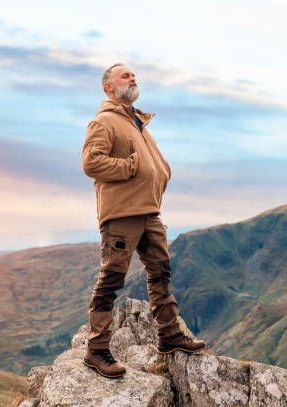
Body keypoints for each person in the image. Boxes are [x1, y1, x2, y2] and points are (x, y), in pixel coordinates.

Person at [81, 63, 206, 378]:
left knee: (160, 272)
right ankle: (96, 351)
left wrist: (159, 173)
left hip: (149, 211)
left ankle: (169, 335)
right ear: (108, 87)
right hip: (122, 215)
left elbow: (150, 165)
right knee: (112, 279)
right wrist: (131, 167)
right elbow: (91, 162)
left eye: (133, 75)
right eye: (125, 75)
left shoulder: (137, 122)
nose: (132, 78)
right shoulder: (104, 121)